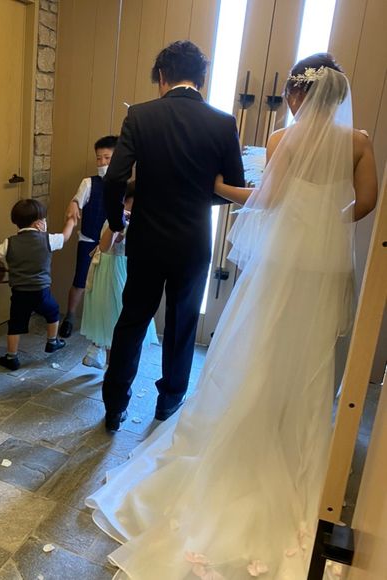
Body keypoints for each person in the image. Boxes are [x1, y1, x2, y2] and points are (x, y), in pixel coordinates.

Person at [86, 54, 378, 579]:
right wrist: (325, 220)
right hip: (270, 253)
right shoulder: (340, 139)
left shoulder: (150, 117)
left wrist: (126, 218)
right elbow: (364, 202)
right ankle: (174, 401)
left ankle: (115, 407)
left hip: (175, 242)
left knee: (142, 323)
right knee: (228, 334)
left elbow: (257, 197)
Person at [101, 41, 245, 431]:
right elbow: (231, 188)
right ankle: (168, 403)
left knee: (133, 320)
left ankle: (114, 407)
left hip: (147, 237)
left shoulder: (140, 116)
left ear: (162, 76)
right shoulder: (222, 122)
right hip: (194, 240)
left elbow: (114, 179)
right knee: (182, 325)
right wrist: (196, 196)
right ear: (202, 78)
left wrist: (117, 223)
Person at [0, 199, 77, 371]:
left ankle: (11, 357)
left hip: (19, 292)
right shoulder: (48, 239)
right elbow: (65, 237)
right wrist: (71, 221)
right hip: (41, 291)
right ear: (38, 223)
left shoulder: (9, 242)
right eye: (44, 219)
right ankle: (52, 342)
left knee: (15, 324)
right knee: (53, 311)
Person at [80, 183, 158, 369]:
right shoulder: (117, 220)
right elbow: (105, 246)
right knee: (113, 316)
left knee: (116, 314)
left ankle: (98, 353)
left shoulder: (144, 220)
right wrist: (119, 223)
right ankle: (110, 365)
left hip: (127, 268)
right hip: (113, 270)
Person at [59, 135, 119, 339]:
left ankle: (105, 322)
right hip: (88, 239)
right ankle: (70, 317)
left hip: (113, 245)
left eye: (107, 158)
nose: (102, 163)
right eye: (99, 158)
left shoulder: (125, 186)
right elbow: (77, 201)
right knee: (80, 280)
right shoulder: (89, 183)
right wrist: (73, 204)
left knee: (108, 284)